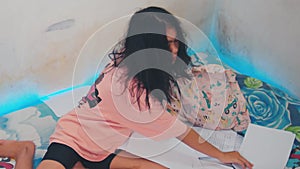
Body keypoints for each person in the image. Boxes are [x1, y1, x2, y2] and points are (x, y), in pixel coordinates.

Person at [0, 6, 253, 169]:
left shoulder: (131, 59)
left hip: (103, 149)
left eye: (175, 42)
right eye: (166, 45)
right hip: (73, 139)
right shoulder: (131, 94)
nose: (174, 51)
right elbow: (184, 133)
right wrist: (222, 154)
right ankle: (24, 150)